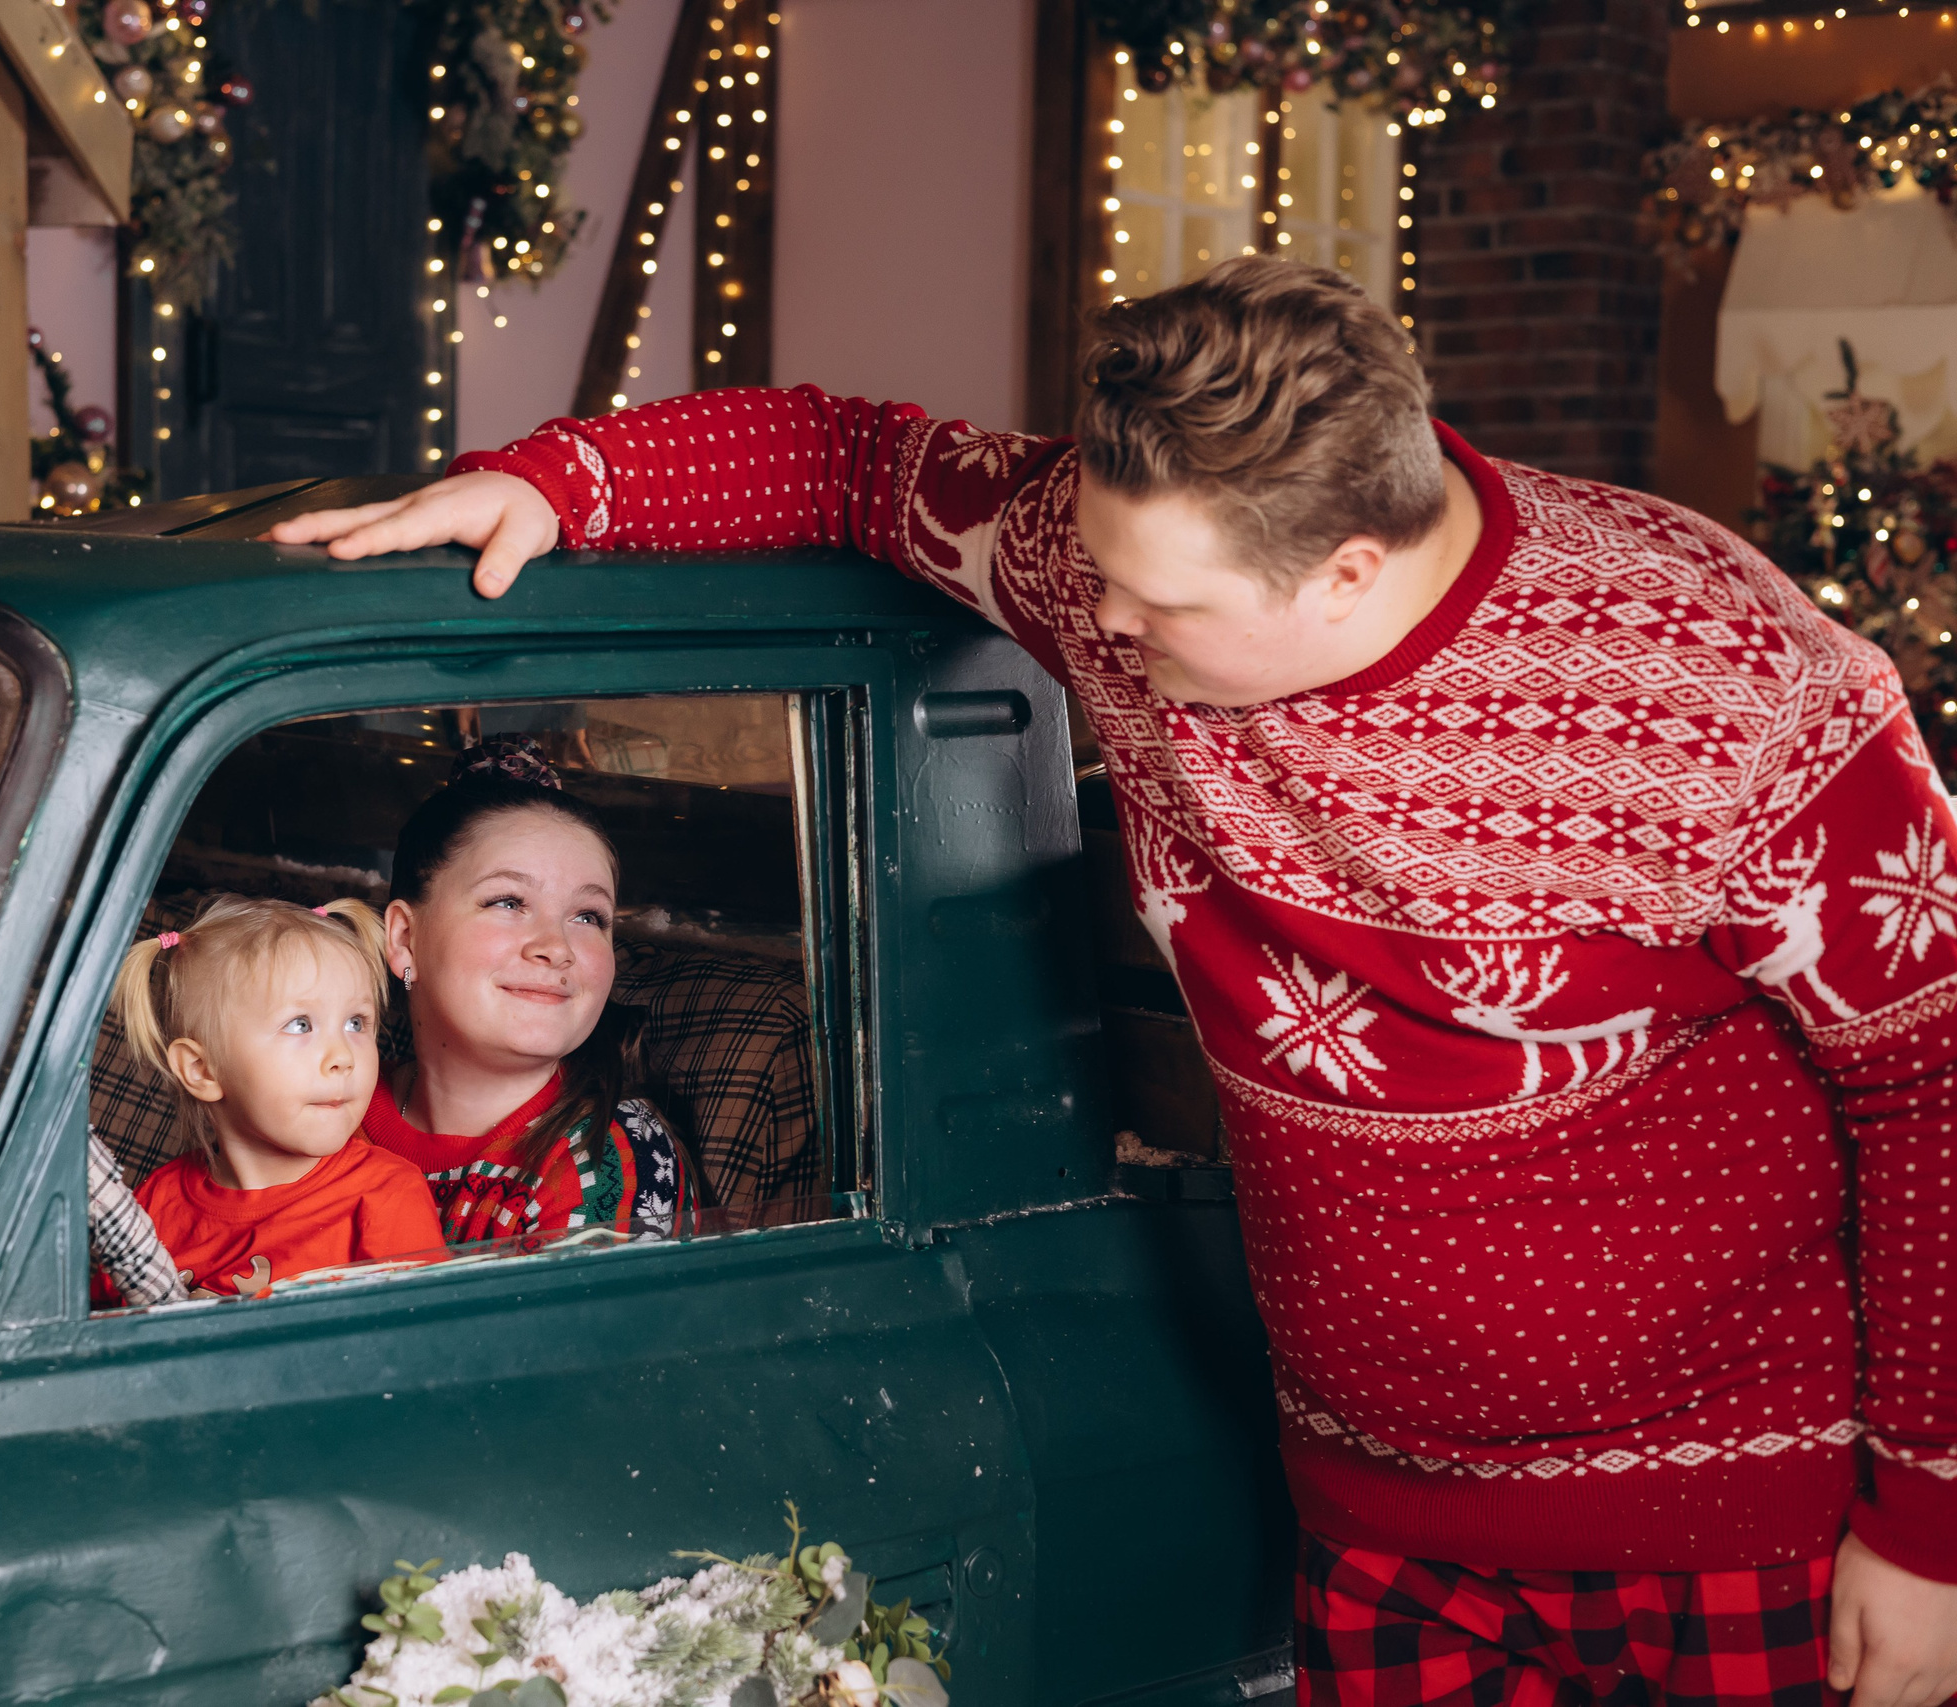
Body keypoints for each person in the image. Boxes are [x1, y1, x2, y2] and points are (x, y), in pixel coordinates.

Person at [273, 259, 1957, 1707]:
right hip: (1381, 1522)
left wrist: (1932, 1530)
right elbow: (856, 462)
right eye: (1101, 573)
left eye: (1164, 606)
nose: (1104, 626)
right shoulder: (1115, 566)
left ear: (1346, 571)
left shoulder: (1732, 683)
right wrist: (556, 482)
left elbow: (1936, 1083)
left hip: (1747, 1529)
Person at [365, 737, 694, 1244]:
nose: (556, 948)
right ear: (406, 939)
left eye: (588, 916)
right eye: (508, 902)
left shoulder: (611, 1159)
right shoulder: (318, 1106)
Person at [101, 894, 444, 1300]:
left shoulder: (386, 1196)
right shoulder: (153, 1206)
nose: (343, 1058)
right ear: (202, 1070)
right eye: (300, 1025)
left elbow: (423, 1335)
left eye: (356, 1023)